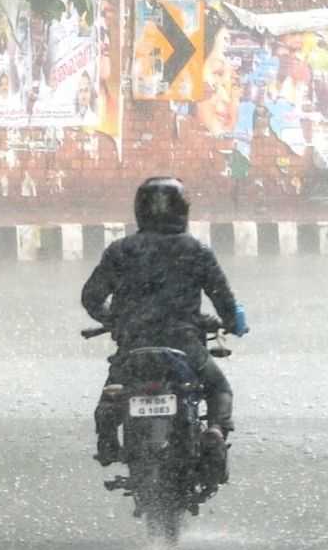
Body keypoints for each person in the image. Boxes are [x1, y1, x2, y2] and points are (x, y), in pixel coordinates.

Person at [81, 176, 249, 481]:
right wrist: (232, 322)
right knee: (219, 388)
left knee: (112, 393)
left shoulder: (120, 250)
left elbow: (91, 298)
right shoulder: (196, 250)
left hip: (134, 345)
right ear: (182, 210)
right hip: (184, 344)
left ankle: (107, 439)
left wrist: (114, 320)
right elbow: (224, 300)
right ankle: (214, 431)